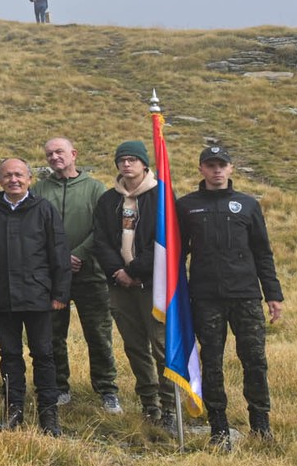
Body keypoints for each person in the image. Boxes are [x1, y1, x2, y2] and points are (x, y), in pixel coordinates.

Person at [179, 145, 284, 447]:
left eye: (222, 165)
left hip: (246, 297)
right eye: (210, 165)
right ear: (201, 169)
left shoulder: (247, 205)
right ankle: (219, 428)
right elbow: (177, 254)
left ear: (231, 169)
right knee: (211, 361)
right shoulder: (187, 206)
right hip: (205, 297)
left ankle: (261, 426)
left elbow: (263, 253)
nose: (217, 170)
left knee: (254, 361)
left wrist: (272, 295)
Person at [0, 157, 71, 434]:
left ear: (29, 178)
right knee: (9, 355)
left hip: (39, 296)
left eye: (19, 175)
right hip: (1, 297)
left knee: (44, 354)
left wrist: (59, 293)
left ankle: (48, 415)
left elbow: (58, 253)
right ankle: (14, 411)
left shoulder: (44, 210)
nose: (13, 180)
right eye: (7, 175)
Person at [92, 140, 177, 430]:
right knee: (134, 345)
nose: (126, 164)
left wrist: (138, 270)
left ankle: (169, 407)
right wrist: (118, 271)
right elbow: (101, 240)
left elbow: (168, 242)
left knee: (161, 345)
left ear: (144, 164)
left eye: (132, 159)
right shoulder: (108, 200)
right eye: (122, 160)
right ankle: (148, 403)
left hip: (154, 284)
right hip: (120, 285)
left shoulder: (162, 196)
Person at [32, 137, 119, 411]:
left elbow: (103, 228)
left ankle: (107, 389)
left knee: (98, 332)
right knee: (53, 333)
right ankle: (59, 387)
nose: (54, 157)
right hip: (52, 277)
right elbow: (32, 229)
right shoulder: (39, 190)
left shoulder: (95, 188)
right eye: (49, 154)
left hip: (90, 274)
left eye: (59, 151)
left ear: (73, 154)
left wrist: (78, 254)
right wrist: (58, 260)